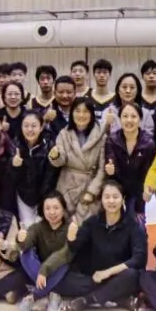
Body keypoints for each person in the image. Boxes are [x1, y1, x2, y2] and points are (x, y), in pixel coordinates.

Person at [37, 181, 145, 311]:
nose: (111, 201)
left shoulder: (133, 226)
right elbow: (76, 247)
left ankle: (86, 301)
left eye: (115, 197)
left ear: (123, 199)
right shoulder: (92, 222)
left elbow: (139, 258)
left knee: (132, 275)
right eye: (107, 197)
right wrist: (71, 238)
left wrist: (107, 273)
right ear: (101, 200)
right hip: (92, 278)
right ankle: (119, 298)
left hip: (118, 275)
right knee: (60, 279)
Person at [49, 97, 106, 226]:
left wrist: (92, 192)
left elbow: (102, 169)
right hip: (66, 187)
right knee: (64, 228)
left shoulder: (101, 136)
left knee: (86, 229)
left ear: (92, 114)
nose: (81, 115)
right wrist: (55, 155)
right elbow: (60, 161)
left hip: (89, 188)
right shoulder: (64, 134)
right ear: (71, 113)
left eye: (86, 111)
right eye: (77, 111)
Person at [14, 191, 72, 311]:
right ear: (42, 210)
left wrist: (44, 270)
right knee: (25, 253)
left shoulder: (70, 228)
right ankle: (53, 294)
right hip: (39, 272)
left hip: (60, 272)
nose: (52, 212)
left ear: (63, 209)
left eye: (56, 208)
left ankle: (33, 296)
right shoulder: (37, 227)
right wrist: (21, 240)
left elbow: (65, 253)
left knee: (65, 260)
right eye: (48, 208)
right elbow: (25, 244)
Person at [104, 101, 156, 217]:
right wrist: (111, 170)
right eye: (125, 116)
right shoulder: (112, 140)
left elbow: (149, 172)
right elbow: (111, 165)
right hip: (117, 188)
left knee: (135, 219)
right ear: (119, 119)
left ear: (140, 119)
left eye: (133, 116)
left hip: (139, 190)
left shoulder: (148, 143)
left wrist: (148, 189)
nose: (129, 120)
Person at [12, 111, 59, 227]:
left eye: (33, 126)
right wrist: (15, 166)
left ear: (41, 127)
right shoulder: (15, 144)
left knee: (43, 228)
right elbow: (11, 177)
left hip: (45, 194)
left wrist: (44, 198)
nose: (29, 130)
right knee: (28, 228)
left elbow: (51, 176)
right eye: (26, 126)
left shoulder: (50, 143)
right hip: (23, 195)